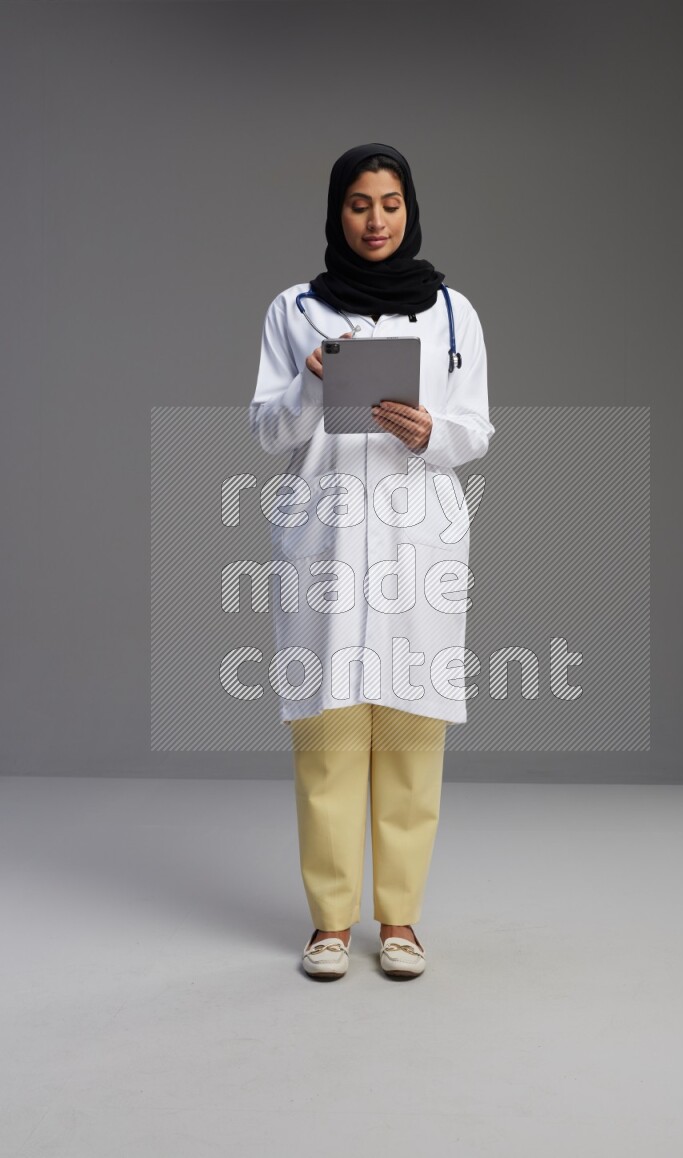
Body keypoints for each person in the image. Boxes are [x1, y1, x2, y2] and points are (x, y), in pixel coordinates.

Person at [249, 143, 494, 980]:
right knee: (327, 733)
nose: (376, 220)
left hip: (417, 540)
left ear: (409, 208)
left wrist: (436, 434)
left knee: (411, 732)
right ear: (336, 212)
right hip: (325, 537)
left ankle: (400, 922)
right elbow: (268, 431)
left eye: (390, 203)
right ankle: (328, 923)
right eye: (359, 204)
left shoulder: (453, 313)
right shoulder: (294, 310)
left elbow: (477, 429)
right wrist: (313, 383)